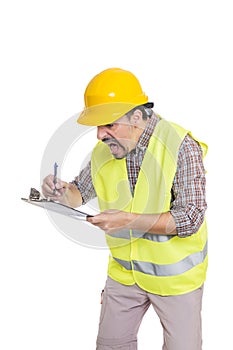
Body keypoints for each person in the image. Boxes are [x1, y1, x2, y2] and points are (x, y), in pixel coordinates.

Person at [42, 68, 208, 350]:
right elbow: (78, 194)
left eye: (108, 125)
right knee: (110, 345)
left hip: (175, 281)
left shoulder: (181, 146)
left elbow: (190, 218)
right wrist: (59, 192)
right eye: (96, 126)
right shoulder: (104, 152)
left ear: (137, 116)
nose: (99, 135)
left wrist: (128, 220)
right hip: (123, 274)